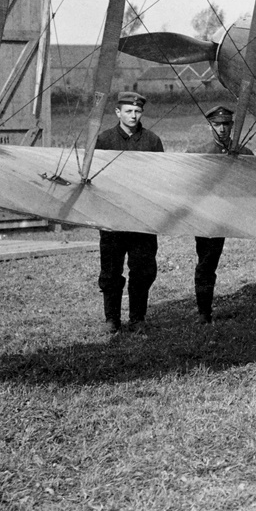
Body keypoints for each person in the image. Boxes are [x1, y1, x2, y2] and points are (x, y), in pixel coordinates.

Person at [94, 90, 164, 333]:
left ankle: (138, 318)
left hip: (142, 217)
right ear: (118, 113)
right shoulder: (104, 140)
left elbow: (160, 180)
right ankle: (111, 319)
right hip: (113, 217)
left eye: (137, 111)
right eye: (128, 111)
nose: (133, 116)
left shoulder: (152, 141)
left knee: (143, 270)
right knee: (111, 270)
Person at [187, 105, 252, 324]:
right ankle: (204, 311)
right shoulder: (199, 153)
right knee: (206, 262)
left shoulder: (245, 153)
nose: (222, 129)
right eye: (217, 125)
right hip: (210, 215)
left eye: (226, 125)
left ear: (232, 126)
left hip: (240, 213)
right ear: (210, 126)